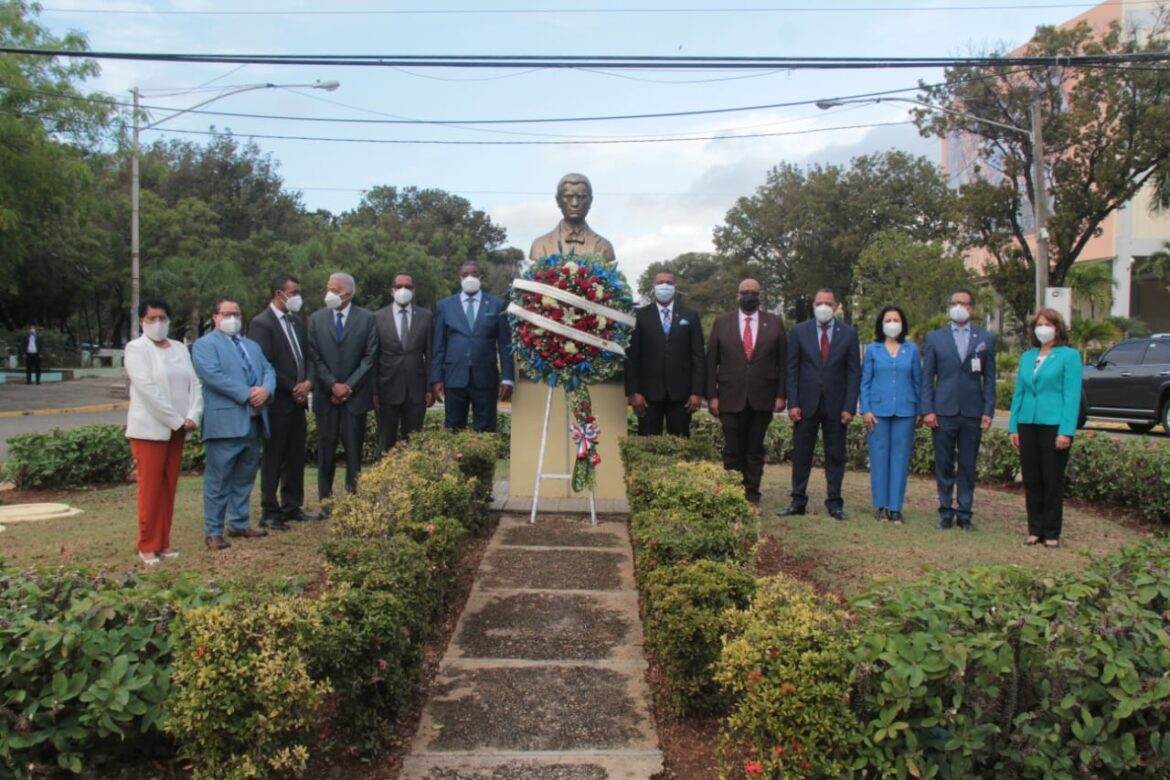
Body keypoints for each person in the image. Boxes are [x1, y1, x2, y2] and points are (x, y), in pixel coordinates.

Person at [192, 297, 276, 551]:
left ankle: (239, 523)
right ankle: (213, 531)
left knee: (244, 476)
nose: (232, 319)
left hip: (253, 421)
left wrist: (266, 390)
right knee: (218, 481)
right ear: (215, 317)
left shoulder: (251, 345)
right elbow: (212, 376)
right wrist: (248, 393)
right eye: (226, 314)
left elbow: (268, 369)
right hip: (225, 422)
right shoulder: (204, 345)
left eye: (236, 314)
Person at [124, 297, 202, 564]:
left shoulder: (180, 348)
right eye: (151, 319)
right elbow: (148, 390)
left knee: (169, 486)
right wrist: (175, 419)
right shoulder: (136, 349)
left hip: (179, 428)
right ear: (142, 322)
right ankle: (147, 544)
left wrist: (192, 415)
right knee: (150, 487)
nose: (158, 323)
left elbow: (194, 384)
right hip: (150, 430)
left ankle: (164, 542)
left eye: (162, 318)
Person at [778, 289, 861, 521]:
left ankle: (834, 503)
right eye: (819, 303)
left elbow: (854, 372)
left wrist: (849, 406)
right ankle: (797, 500)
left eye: (828, 303)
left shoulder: (848, 333)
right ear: (813, 305)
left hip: (836, 405)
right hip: (805, 405)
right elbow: (791, 369)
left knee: (835, 455)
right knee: (802, 454)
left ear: (836, 306)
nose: (823, 307)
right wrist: (792, 403)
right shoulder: (799, 331)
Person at [920, 288, 997, 531]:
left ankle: (965, 512)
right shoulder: (935, 338)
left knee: (967, 463)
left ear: (972, 309)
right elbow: (927, 377)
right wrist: (928, 409)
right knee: (944, 463)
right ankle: (945, 511)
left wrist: (988, 409)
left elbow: (990, 378)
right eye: (955, 303)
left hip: (972, 410)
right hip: (943, 410)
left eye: (963, 303)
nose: (959, 307)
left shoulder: (984, 338)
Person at [705, 279, 787, 506]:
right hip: (730, 397)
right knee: (732, 448)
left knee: (754, 449)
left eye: (754, 292)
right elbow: (711, 362)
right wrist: (712, 395)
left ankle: (752, 494)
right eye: (745, 292)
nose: (749, 295)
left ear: (760, 295)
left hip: (763, 397)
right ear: (737, 295)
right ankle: (732, 494)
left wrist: (781, 395)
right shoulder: (722, 323)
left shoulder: (774, 323)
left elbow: (783, 362)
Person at [248, 273, 318, 530]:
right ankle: (269, 509)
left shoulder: (297, 322)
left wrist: (308, 383)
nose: (298, 297)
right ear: (280, 294)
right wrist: (293, 387)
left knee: (295, 455)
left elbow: (309, 357)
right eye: (295, 292)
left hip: (298, 402)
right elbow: (264, 364)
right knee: (274, 456)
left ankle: (292, 505)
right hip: (278, 401)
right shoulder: (261, 324)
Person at [307, 272, 378, 516]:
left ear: (347, 294)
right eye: (327, 287)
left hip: (354, 399)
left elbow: (370, 356)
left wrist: (348, 386)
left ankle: (352, 502)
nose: (328, 293)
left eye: (333, 289)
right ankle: (326, 504)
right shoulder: (316, 319)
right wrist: (332, 385)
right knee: (325, 452)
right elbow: (314, 356)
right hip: (326, 398)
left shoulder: (367, 318)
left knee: (353, 453)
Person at [1009, 309, 1081, 549]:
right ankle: (1035, 529)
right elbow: (1019, 393)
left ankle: (1052, 531)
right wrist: (1013, 426)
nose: (1043, 328)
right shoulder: (1028, 357)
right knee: (1032, 479)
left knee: (1052, 479)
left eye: (1048, 324)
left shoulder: (1068, 356)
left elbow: (1072, 396)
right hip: (1027, 422)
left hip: (1053, 425)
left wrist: (1066, 430)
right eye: (1039, 324)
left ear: (1057, 328)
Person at [431, 261, 514, 432]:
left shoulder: (497, 305)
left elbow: (505, 344)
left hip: (485, 378)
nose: (470, 277)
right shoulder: (444, 306)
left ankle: (483, 459)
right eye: (465, 274)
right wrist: (437, 377)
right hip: (454, 377)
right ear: (459, 278)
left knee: (486, 430)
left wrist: (507, 377)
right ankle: (455, 460)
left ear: (481, 278)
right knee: (453, 428)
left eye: (474, 274)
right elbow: (439, 345)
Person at [859, 306, 922, 524]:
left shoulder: (911, 350)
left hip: (905, 411)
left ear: (902, 324)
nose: (892, 323)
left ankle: (895, 508)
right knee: (878, 457)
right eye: (888, 319)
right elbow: (865, 382)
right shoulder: (873, 350)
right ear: (881, 323)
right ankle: (880, 506)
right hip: (878, 411)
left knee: (900, 458)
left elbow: (918, 381)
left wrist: (919, 411)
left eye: (896, 319)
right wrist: (865, 409)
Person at [625, 268, 705, 437]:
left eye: (669, 283)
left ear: (675, 286)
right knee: (647, 447)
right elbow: (632, 357)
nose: (664, 286)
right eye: (660, 283)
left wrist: (697, 392)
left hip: (681, 395)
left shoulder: (690, 315)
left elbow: (698, 356)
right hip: (647, 396)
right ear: (653, 286)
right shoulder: (639, 316)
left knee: (681, 445)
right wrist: (633, 392)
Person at [373, 272, 434, 452]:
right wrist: (374, 391)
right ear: (392, 291)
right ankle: (384, 480)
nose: (403, 290)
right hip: (386, 389)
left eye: (407, 287)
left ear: (414, 291)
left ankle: (413, 480)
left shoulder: (426, 316)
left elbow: (430, 355)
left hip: (416, 389)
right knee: (385, 443)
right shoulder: (377, 317)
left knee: (413, 444)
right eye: (399, 286)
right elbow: (373, 358)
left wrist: (429, 387)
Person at [529, 173, 616, 262]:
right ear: (558, 200)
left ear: (590, 201)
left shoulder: (604, 247)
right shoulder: (540, 245)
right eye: (568, 197)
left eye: (581, 197)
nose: (575, 203)